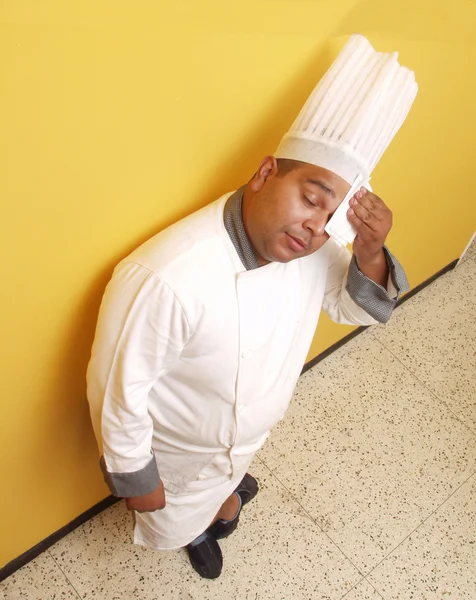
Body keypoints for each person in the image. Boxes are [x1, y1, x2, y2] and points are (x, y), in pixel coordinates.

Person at [86, 34, 418, 579]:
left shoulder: (311, 247)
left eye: (330, 216)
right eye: (310, 197)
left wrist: (369, 249)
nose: (315, 226)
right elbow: (115, 396)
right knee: (178, 517)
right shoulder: (165, 277)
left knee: (228, 483)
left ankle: (227, 498)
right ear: (266, 173)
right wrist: (142, 491)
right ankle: (198, 527)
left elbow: (356, 308)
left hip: (245, 442)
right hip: (181, 461)